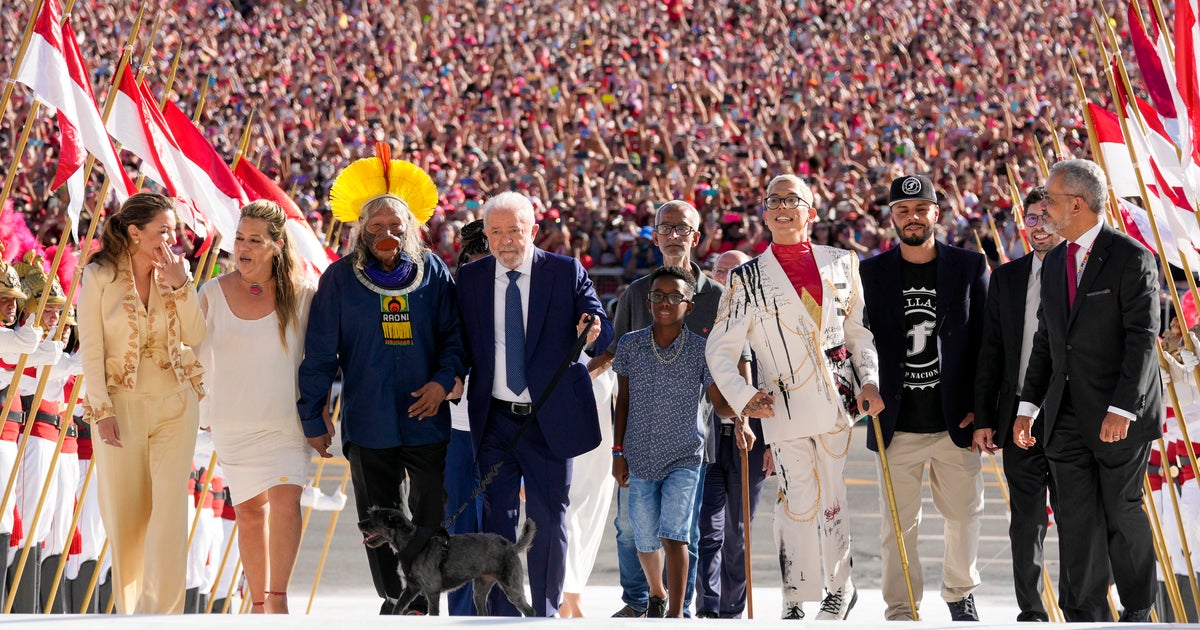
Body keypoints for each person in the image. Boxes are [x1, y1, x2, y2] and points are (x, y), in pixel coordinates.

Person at [297, 148, 467, 615]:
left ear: (411, 228)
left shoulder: (433, 272)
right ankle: (395, 596)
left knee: (432, 512)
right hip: (369, 421)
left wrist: (443, 382)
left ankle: (423, 597)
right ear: (361, 231)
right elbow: (318, 355)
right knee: (378, 518)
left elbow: (455, 338)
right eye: (375, 227)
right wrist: (312, 416)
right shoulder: (338, 280)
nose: (386, 234)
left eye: (395, 226)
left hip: (427, 417)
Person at [707, 174, 883, 620]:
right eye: (774, 200)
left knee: (833, 499)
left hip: (838, 403)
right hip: (781, 407)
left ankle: (840, 588)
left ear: (812, 211)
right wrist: (745, 397)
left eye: (794, 200)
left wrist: (870, 381)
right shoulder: (746, 278)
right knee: (794, 500)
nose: (783, 207)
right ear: (765, 213)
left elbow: (858, 332)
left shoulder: (844, 262)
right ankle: (794, 595)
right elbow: (720, 348)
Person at [1014, 159, 1163, 622]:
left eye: (1051, 201)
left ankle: (1138, 608)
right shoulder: (1055, 261)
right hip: (1065, 417)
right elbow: (1046, 342)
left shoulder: (1132, 257)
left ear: (1075, 204)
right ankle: (1086, 612)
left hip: (1120, 414)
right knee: (1077, 519)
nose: (1045, 211)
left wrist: (1123, 407)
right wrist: (1027, 407)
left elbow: (1143, 338)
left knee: (1122, 511)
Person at [457, 191, 611, 617]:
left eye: (515, 231)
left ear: (534, 231)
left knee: (547, 519)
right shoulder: (471, 279)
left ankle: (542, 614)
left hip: (547, 420)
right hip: (495, 420)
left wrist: (593, 326)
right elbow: (459, 342)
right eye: (496, 232)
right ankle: (503, 617)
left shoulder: (564, 272)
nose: (506, 241)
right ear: (485, 234)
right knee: (496, 524)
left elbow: (598, 318)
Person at [589, 199, 745, 618]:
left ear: (697, 238)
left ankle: (680, 607)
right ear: (655, 236)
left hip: (693, 437)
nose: (674, 236)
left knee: (684, 531)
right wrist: (579, 378)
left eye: (683, 229)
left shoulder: (717, 297)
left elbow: (737, 358)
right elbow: (614, 354)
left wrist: (744, 411)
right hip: (638, 438)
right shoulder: (638, 293)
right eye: (666, 228)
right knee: (628, 529)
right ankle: (638, 600)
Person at [859, 174, 988, 621]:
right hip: (895, 422)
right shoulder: (870, 273)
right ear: (891, 217)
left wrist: (982, 405)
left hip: (957, 419)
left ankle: (959, 592)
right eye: (902, 211)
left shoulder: (970, 266)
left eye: (920, 209)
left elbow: (987, 342)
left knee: (965, 515)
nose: (912, 218)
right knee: (897, 527)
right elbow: (858, 341)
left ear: (937, 212)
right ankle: (902, 607)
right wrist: (864, 384)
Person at [77, 192, 207, 614]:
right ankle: (131, 613)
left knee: (170, 510)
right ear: (135, 232)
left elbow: (196, 334)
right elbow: (91, 351)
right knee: (127, 515)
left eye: (173, 229)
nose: (172, 238)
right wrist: (102, 411)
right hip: (122, 408)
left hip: (176, 404)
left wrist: (182, 284)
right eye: (163, 230)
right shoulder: (98, 275)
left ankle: (161, 614)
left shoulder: (176, 272)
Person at [197, 200, 316, 614]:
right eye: (240, 238)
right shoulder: (211, 292)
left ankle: (278, 602)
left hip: (286, 423)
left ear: (277, 246)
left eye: (254, 240)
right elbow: (186, 349)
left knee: (286, 501)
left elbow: (323, 359)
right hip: (233, 424)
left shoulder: (303, 296)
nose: (243, 247)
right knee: (248, 513)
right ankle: (259, 603)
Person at [612, 266, 740, 618]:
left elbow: (719, 403)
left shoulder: (703, 350)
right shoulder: (630, 344)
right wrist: (617, 452)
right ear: (648, 301)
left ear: (690, 304)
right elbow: (622, 401)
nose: (664, 303)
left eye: (673, 297)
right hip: (638, 454)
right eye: (657, 296)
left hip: (685, 454)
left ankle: (676, 615)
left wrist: (746, 405)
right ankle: (657, 593)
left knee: (675, 534)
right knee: (643, 536)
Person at [973, 186, 1064, 622]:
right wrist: (986, 417)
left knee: (1076, 518)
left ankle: (1082, 607)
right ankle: (1031, 611)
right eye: (1032, 218)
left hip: (1069, 416)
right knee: (1026, 521)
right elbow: (990, 352)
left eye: (1048, 216)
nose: (1040, 225)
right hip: (1017, 418)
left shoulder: (1084, 272)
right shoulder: (1007, 278)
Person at [697, 248, 768, 619]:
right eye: (721, 271)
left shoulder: (764, 319)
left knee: (738, 533)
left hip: (752, 440)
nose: (727, 278)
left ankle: (731, 611)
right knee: (706, 530)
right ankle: (707, 609)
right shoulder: (702, 314)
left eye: (736, 272)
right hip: (707, 438)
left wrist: (773, 440)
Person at [12, 252, 80, 613]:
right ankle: (22, 609)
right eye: (50, 312)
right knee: (27, 527)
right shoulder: (26, 347)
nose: (58, 321)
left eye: (61, 314)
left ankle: (40, 610)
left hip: (54, 438)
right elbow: (40, 369)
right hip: (33, 436)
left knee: (53, 531)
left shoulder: (47, 350)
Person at [443, 219, 488, 616]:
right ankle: (460, 616)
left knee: (499, 529)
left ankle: (499, 614)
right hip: (458, 430)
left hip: (503, 427)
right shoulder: (452, 299)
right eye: (475, 256)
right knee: (459, 529)